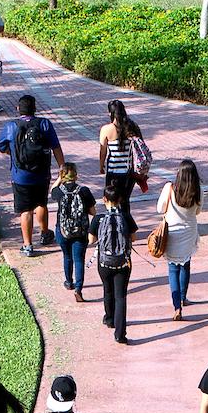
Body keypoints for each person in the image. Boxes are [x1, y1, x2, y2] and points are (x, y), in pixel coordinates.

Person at [0, 93, 66, 257]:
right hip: (42, 173)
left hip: (20, 175)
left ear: (18, 109)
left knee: (25, 210)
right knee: (41, 203)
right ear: (35, 109)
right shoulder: (44, 124)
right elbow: (56, 147)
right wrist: (62, 167)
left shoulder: (11, 126)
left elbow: (2, 147)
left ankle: (28, 245)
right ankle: (44, 233)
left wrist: (14, 154)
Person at [89, 181, 139, 343]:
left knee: (107, 289)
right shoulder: (125, 216)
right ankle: (120, 333)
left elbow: (91, 240)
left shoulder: (98, 218)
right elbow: (133, 238)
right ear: (120, 199)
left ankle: (109, 318)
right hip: (123, 262)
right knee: (121, 296)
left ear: (104, 199)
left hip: (104, 261)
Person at [156, 158, 201, 320]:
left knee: (173, 269)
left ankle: (177, 307)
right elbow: (197, 212)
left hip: (172, 233)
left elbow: (160, 208)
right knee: (186, 265)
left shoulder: (170, 187)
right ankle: (183, 297)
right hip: (189, 233)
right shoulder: (197, 190)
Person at [52, 163, 96, 301]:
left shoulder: (59, 192)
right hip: (80, 231)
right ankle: (78, 289)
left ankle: (68, 282)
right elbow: (93, 212)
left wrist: (59, 179)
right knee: (79, 260)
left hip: (63, 230)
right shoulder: (84, 191)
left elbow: (52, 189)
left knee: (67, 256)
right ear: (76, 175)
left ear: (62, 176)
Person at [99, 98, 144, 201]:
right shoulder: (132, 127)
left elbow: (103, 152)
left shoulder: (106, 129)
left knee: (112, 203)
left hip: (113, 172)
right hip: (129, 173)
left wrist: (101, 167)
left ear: (110, 113)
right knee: (125, 203)